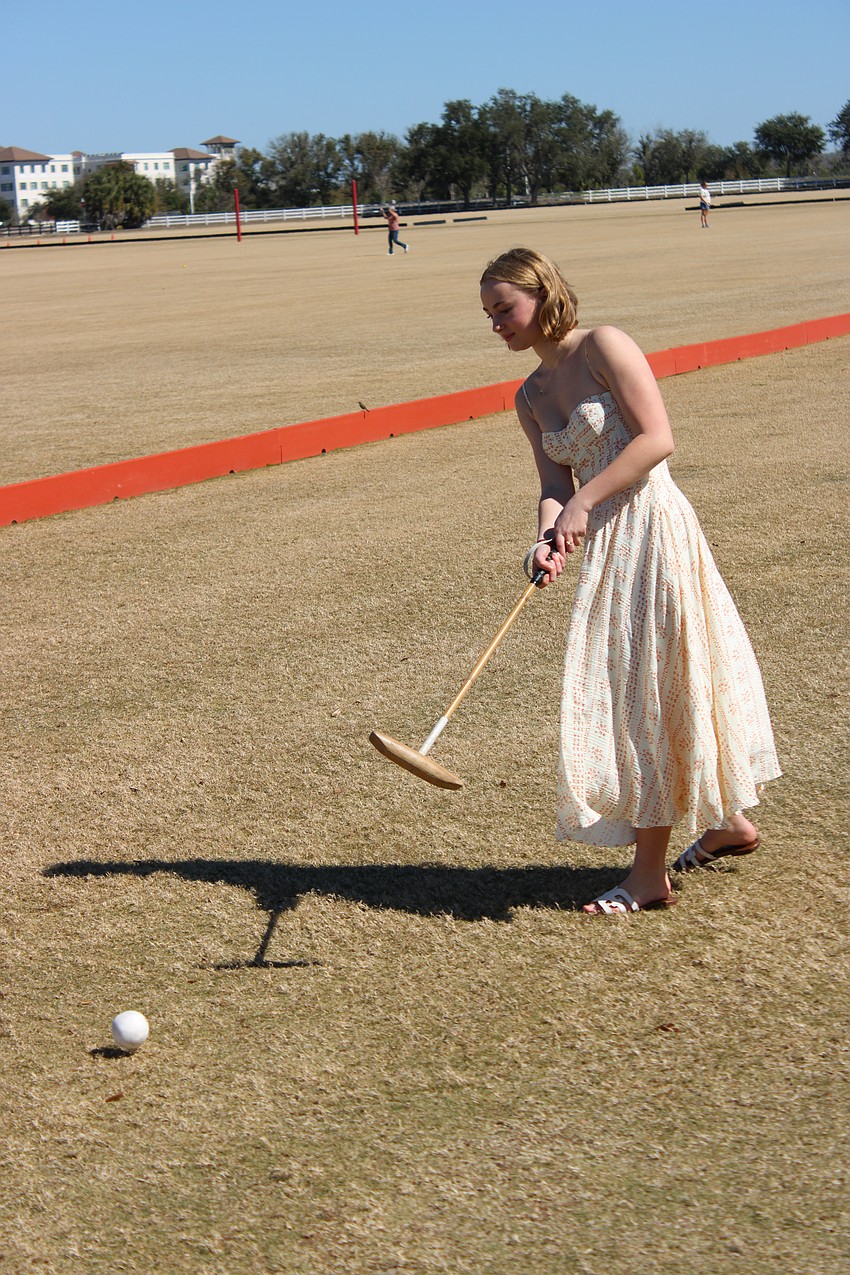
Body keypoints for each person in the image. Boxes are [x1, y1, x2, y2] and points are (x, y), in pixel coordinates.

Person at [479, 248, 781, 915]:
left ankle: (648, 878)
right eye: (489, 314)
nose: (496, 323)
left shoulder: (604, 346)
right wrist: (545, 537)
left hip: (654, 527)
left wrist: (587, 504)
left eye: (505, 308)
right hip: (610, 548)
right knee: (649, 682)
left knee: (651, 685)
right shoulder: (529, 395)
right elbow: (556, 485)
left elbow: (656, 440)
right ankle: (729, 822)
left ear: (542, 294)